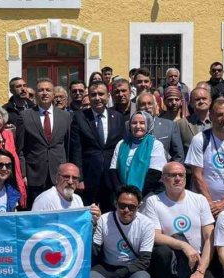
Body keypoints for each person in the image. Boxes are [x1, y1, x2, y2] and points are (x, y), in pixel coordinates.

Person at [144, 162, 221, 278]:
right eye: (173, 175)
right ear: (163, 179)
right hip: (171, 258)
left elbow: (209, 237)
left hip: (195, 260)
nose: (178, 178)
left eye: (181, 175)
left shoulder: (199, 199)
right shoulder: (154, 201)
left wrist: (200, 271)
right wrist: (183, 245)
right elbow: (155, 236)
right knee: (162, 252)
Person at [89, 185, 155, 278]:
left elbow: (144, 260)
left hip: (132, 267)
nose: (126, 210)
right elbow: (94, 251)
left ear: (139, 206)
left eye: (132, 207)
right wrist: (92, 227)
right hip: (107, 266)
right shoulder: (104, 219)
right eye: (122, 205)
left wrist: (120, 273)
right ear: (115, 203)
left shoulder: (147, 224)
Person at [16, 79, 72, 208]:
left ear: (53, 94)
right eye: (41, 90)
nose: (45, 93)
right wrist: (23, 174)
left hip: (59, 174)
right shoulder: (25, 116)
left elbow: (68, 146)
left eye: (48, 90)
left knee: (59, 210)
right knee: (36, 211)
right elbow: (20, 149)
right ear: (36, 94)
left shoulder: (65, 116)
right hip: (34, 175)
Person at [69, 82, 123, 210]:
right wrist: (79, 178)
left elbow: (122, 148)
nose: (97, 98)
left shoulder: (118, 117)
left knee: (110, 213)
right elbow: (76, 150)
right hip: (89, 177)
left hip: (112, 177)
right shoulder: (79, 117)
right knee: (88, 213)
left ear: (108, 96)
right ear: (88, 97)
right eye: (93, 95)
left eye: (101, 94)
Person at [109, 111, 165, 197]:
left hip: (146, 195)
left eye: (142, 123)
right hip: (123, 195)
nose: (138, 126)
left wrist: (137, 196)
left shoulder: (155, 144)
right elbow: (113, 170)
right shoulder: (122, 143)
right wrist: (121, 193)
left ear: (148, 125)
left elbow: (155, 174)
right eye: (134, 123)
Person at [31, 163, 99, 222]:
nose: (70, 182)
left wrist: (94, 219)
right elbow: (34, 227)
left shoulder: (78, 199)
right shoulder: (45, 199)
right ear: (57, 178)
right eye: (66, 177)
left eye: (74, 178)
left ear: (78, 182)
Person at [135, 92, 184, 163]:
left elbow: (178, 156)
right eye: (143, 104)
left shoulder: (170, 125)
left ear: (155, 106)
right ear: (137, 108)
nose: (147, 107)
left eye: (150, 104)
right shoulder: (129, 126)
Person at [160, 86, 193, 159]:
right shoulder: (160, 121)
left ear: (181, 101)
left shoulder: (188, 121)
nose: (174, 103)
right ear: (164, 101)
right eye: (170, 100)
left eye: (177, 99)